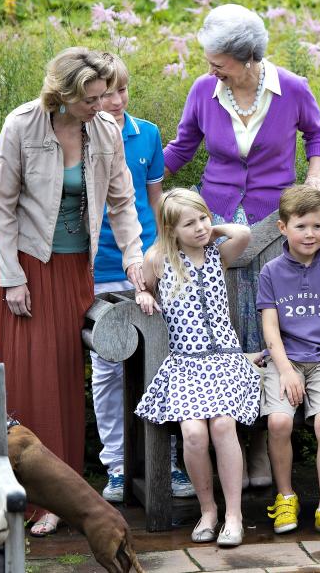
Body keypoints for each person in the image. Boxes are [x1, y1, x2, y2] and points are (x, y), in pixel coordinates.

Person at [0, 47, 145, 537]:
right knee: (28, 379)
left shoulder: (105, 130)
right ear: (65, 94)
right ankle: (25, 498)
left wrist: (135, 258)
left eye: (107, 95)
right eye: (93, 99)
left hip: (74, 269)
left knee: (64, 379)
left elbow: (122, 200)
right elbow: (1, 204)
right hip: (25, 266)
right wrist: (12, 276)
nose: (105, 105)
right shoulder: (22, 125)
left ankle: (61, 497)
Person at [164, 3, 320, 486]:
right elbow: (181, 147)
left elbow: (316, 132)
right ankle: (221, 442)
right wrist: (142, 187)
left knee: (261, 330)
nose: (210, 69)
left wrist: (314, 176)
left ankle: (259, 446)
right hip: (215, 222)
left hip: (268, 222)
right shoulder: (203, 91)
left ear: (248, 57)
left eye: (219, 61)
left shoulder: (291, 88)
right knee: (221, 332)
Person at [88, 54, 195, 503]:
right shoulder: (80, 136)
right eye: (105, 93)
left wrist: (161, 261)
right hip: (98, 271)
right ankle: (115, 465)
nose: (115, 101)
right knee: (108, 367)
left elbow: (156, 208)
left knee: (164, 363)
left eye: (121, 91)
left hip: (148, 268)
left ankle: (164, 462)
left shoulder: (147, 134)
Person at [133, 188, 261, 547]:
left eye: (204, 218)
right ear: (171, 230)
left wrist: (211, 230)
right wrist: (143, 293)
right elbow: (147, 289)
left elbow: (244, 233)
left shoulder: (217, 254)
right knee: (193, 434)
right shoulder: (158, 259)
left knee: (222, 425)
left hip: (226, 362)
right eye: (190, 224)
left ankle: (234, 513)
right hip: (185, 364)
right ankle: (209, 510)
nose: (201, 227)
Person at [257, 186, 320, 537]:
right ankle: (286, 496)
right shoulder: (271, 272)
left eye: (317, 225)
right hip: (286, 361)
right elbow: (270, 327)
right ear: (283, 228)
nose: (310, 234)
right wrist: (284, 369)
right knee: (279, 423)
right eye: (301, 226)